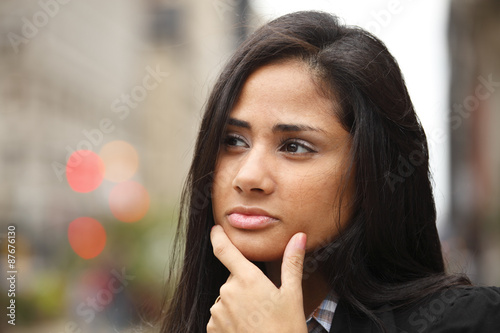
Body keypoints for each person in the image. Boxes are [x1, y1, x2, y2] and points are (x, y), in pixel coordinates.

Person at [160, 11, 500, 332]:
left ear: (372, 170)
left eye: (294, 146)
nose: (248, 177)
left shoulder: (468, 321)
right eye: (233, 140)